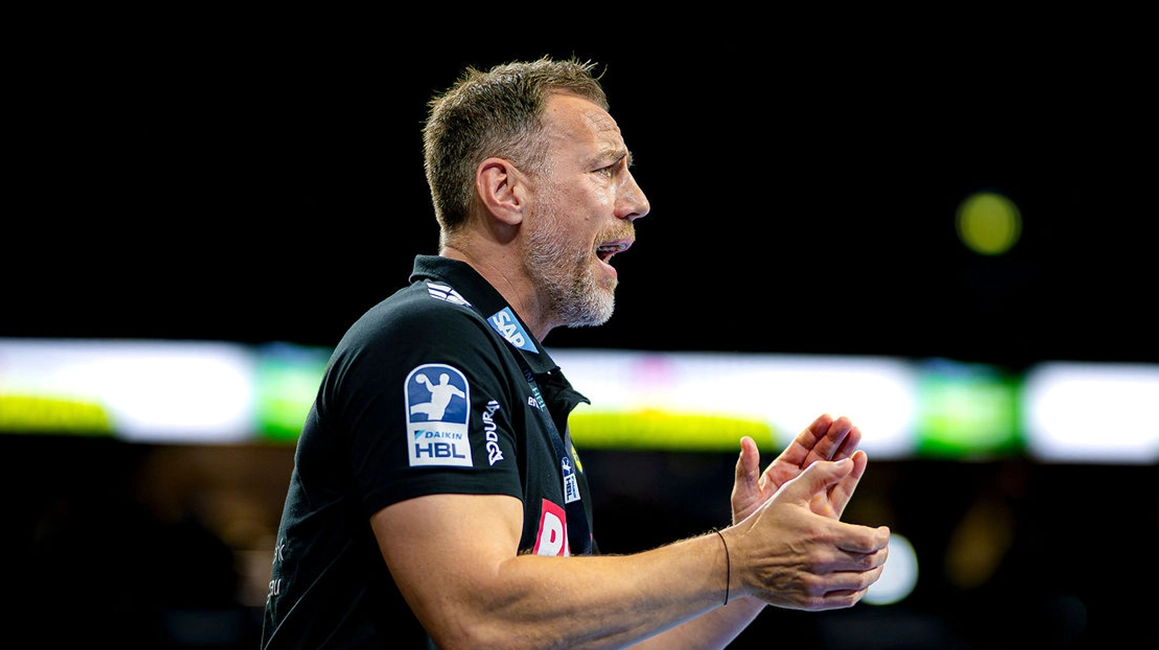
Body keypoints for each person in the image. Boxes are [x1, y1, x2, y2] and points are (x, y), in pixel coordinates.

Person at [260, 57, 891, 649]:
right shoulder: (429, 340)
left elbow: (580, 641)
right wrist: (735, 558)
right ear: (505, 190)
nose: (637, 201)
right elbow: (479, 616)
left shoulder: (513, 369)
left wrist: (752, 565)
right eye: (606, 169)